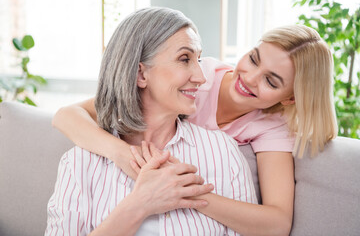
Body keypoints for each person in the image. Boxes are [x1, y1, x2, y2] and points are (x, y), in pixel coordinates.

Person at [53, 19, 338, 235]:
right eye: (253, 58)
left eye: (271, 81)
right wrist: (123, 155)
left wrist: (182, 191)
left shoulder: (265, 129)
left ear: (289, 98)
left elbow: (276, 221)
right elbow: (68, 115)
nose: (250, 78)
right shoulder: (195, 83)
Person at [45, 7, 256, 236]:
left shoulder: (221, 150)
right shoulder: (80, 162)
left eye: (199, 59)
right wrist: (140, 203)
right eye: (184, 59)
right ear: (141, 74)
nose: (201, 77)